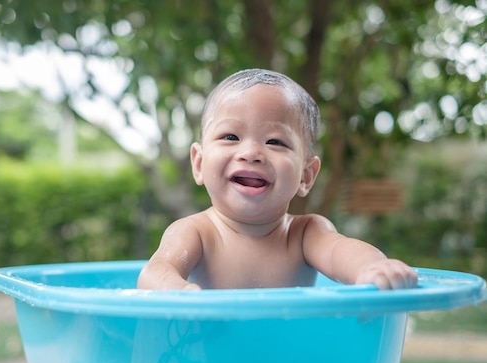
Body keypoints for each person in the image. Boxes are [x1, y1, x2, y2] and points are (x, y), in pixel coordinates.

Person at [137, 68, 417, 291]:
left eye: (275, 141)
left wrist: (374, 268)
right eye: (230, 137)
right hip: (208, 359)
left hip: (285, 360)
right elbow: (155, 273)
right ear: (198, 163)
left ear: (306, 176)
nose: (251, 153)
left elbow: (342, 252)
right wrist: (180, 293)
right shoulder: (195, 232)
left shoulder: (305, 235)